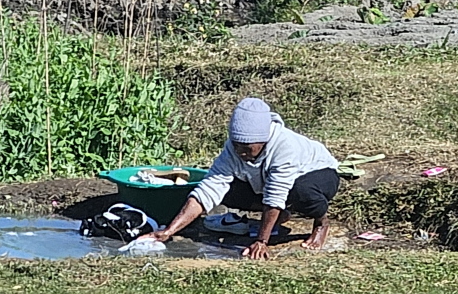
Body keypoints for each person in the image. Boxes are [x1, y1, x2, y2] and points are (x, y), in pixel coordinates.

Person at [142, 97, 340, 259]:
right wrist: (168, 231)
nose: (240, 152)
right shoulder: (233, 149)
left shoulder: (285, 145)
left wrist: (262, 241)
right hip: (266, 181)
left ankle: (321, 222)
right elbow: (209, 188)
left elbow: (276, 193)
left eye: (247, 148)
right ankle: (280, 216)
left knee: (301, 191)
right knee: (225, 191)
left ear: (262, 140)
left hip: (319, 175)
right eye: (236, 145)